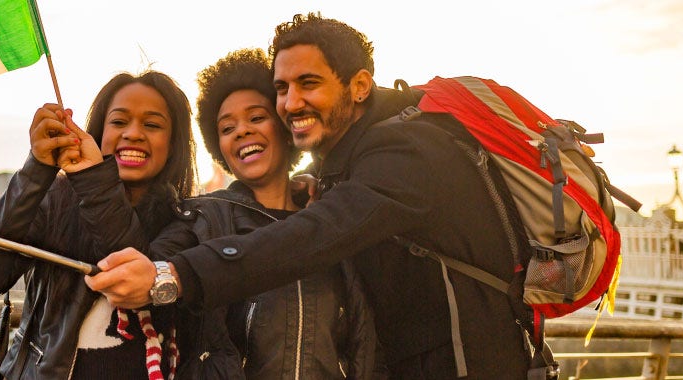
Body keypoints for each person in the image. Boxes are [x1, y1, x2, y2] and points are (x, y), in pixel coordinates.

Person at [87, 13, 534, 379]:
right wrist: (85, 177)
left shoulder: (404, 149)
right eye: (282, 88)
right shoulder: (319, 183)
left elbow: (317, 235)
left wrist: (176, 275)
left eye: (309, 83)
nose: (291, 102)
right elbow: (130, 254)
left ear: (359, 86)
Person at [149, 48, 379, 379]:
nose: (241, 131)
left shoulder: (336, 220)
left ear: (287, 128)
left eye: (256, 118)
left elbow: (366, 344)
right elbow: (144, 269)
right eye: (227, 128)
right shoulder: (201, 218)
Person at [0, 70, 196, 379]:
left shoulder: (188, 219)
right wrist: (36, 171)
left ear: (174, 142)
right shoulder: (55, 200)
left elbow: (131, 277)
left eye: (152, 125)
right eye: (119, 122)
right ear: (99, 133)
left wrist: (94, 181)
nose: (133, 134)